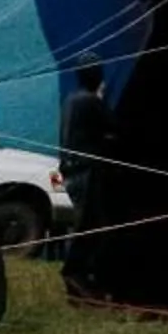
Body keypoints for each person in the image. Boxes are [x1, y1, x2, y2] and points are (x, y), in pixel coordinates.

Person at [57, 58, 112, 306]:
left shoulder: (71, 100)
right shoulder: (91, 102)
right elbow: (114, 126)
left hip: (72, 169)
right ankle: (78, 276)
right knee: (90, 225)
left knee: (82, 223)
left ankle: (78, 280)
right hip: (87, 171)